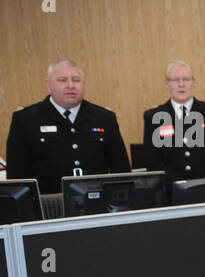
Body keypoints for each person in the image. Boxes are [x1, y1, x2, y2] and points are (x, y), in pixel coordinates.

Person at [5, 59, 129, 194]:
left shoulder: (104, 118)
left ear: (84, 85)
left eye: (76, 80)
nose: (70, 85)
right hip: (48, 205)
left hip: (98, 203)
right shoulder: (26, 119)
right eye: (62, 80)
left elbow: (121, 170)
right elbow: (17, 179)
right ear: (48, 85)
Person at [141, 61, 205, 181]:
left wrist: (204, 184)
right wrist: (179, 185)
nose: (181, 84)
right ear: (166, 84)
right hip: (171, 192)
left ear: (193, 82)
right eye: (175, 80)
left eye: (186, 79)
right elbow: (152, 160)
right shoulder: (153, 116)